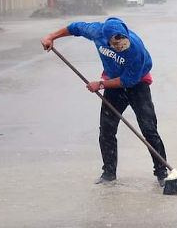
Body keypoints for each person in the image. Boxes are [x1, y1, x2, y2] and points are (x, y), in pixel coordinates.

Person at [41, 17, 168, 186]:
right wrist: (51, 37)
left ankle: (162, 173)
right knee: (106, 130)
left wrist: (100, 84)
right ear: (107, 39)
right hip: (113, 84)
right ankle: (109, 173)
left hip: (138, 84)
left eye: (123, 45)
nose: (121, 49)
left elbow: (128, 81)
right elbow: (74, 28)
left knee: (149, 129)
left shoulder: (135, 49)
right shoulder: (96, 31)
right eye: (116, 46)